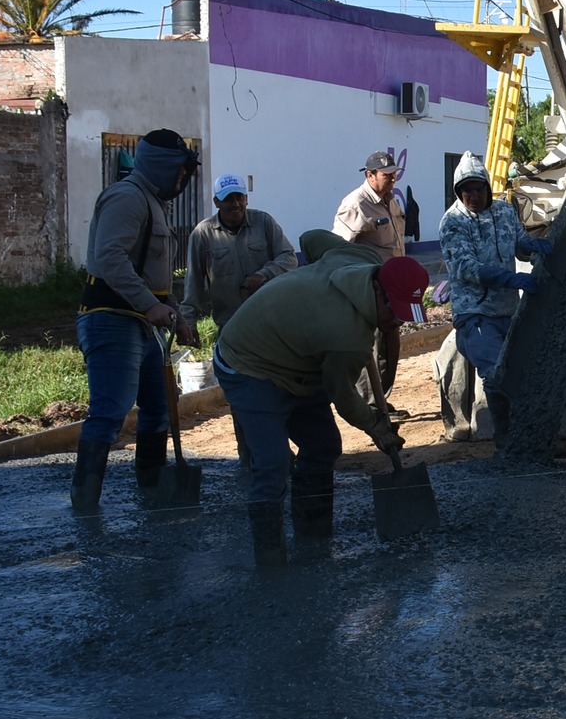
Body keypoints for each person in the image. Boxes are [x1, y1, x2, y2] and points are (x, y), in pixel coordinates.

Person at [213, 233, 427, 565]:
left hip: (299, 357)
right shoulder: (347, 339)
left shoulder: (360, 258)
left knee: (324, 446)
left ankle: (313, 538)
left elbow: (311, 239)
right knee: (273, 462)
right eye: (393, 310)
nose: (397, 321)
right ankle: (270, 562)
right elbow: (342, 395)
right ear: (376, 288)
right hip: (248, 361)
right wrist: (376, 427)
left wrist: (309, 291)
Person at [71, 128, 199, 514]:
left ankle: (152, 492)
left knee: (159, 408)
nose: (182, 178)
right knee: (110, 412)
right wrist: (149, 306)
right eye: (180, 169)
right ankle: (85, 505)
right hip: (112, 320)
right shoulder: (126, 198)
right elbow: (110, 258)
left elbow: (153, 276)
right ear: (162, 165)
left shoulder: (153, 202)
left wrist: (173, 313)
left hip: (143, 323)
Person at [438, 152, 550, 439]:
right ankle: (505, 442)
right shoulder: (453, 222)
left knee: (522, 370)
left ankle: (527, 435)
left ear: (488, 188)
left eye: (478, 189)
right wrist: (511, 279)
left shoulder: (504, 212)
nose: (473, 196)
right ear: (458, 193)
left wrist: (535, 247)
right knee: (496, 374)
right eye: (466, 191)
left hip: (507, 310)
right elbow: (464, 267)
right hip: (475, 313)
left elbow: (519, 245)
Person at [334, 150, 407, 401]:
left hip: (392, 289)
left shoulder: (391, 201)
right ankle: (369, 405)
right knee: (370, 348)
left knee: (390, 346)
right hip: (368, 291)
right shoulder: (355, 204)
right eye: (387, 175)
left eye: (394, 174)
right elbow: (338, 250)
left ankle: (381, 400)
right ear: (370, 175)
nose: (392, 179)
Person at [180, 174, 297, 329]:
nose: (235, 204)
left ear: (246, 199)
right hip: (231, 325)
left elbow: (289, 257)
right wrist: (189, 322)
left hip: (271, 321)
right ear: (216, 202)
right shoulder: (202, 234)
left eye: (239, 197)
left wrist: (264, 274)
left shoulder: (264, 222)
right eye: (228, 199)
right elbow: (193, 282)